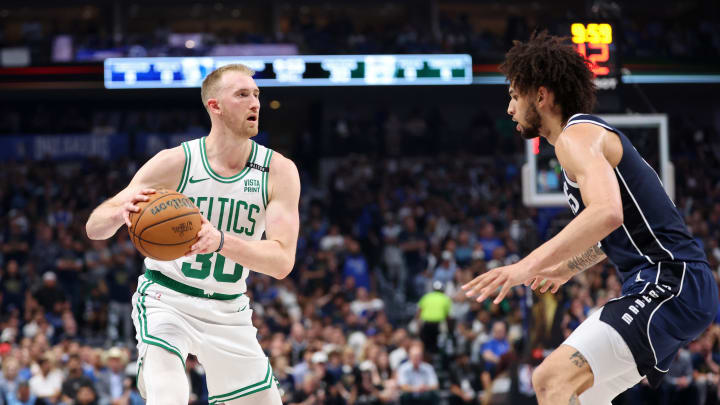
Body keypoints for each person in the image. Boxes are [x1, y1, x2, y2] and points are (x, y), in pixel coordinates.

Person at [462, 31, 718, 405]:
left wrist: (525, 266)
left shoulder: (575, 138)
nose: (509, 109)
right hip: (673, 284)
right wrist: (567, 267)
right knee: (579, 396)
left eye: (515, 96)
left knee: (550, 379)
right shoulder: (583, 139)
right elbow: (614, 231)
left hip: (670, 282)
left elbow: (607, 213)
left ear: (541, 95)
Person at [86, 63, 301, 405]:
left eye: (257, 94)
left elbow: (281, 262)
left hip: (230, 309)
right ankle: (151, 369)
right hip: (167, 300)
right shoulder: (176, 162)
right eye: (242, 94)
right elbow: (94, 227)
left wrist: (220, 242)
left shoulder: (278, 171)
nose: (255, 103)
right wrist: (118, 213)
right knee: (169, 396)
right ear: (214, 105)